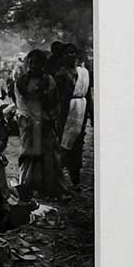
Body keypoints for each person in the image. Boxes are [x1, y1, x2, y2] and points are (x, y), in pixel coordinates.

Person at [14, 49, 64, 198]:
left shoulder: (49, 80)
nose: (34, 65)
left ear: (43, 64)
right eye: (31, 62)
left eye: (37, 62)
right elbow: (21, 102)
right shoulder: (21, 81)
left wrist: (46, 117)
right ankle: (28, 186)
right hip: (28, 122)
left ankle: (48, 187)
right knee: (29, 154)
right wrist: (30, 118)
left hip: (46, 121)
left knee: (48, 155)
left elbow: (54, 102)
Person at [59, 47, 91, 188]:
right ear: (63, 56)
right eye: (67, 53)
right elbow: (58, 97)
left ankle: (75, 177)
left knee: (78, 143)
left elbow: (88, 94)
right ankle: (59, 177)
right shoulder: (61, 74)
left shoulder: (83, 73)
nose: (70, 55)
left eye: (73, 52)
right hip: (66, 111)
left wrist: (91, 114)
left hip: (81, 109)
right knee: (63, 143)